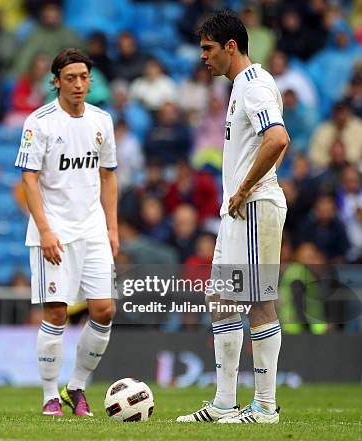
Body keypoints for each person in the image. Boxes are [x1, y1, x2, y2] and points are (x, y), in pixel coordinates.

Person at [176, 11, 289, 424]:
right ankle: (225, 401)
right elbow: (275, 141)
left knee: (259, 302)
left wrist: (245, 188)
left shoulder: (254, 84)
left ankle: (264, 406)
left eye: (207, 49)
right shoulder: (242, 86)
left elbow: (279, 137)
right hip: (238, 209)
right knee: (221, 299)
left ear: (230, 46)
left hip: (253, 205)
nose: (203, 57)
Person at [15, 48, 118, 417]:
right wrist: (44, 230)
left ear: (91, 81)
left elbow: (108, 174)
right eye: (70, 78)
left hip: (92, 230)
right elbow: (28, 178)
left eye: (83, 77)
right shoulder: (38, 122)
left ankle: (77, 387)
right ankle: (48, 394)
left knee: (104, 310)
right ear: (55, 81)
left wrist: (112, 228)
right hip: (53, 230)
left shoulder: (102, 120)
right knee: (57, 313)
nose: (78, 84)